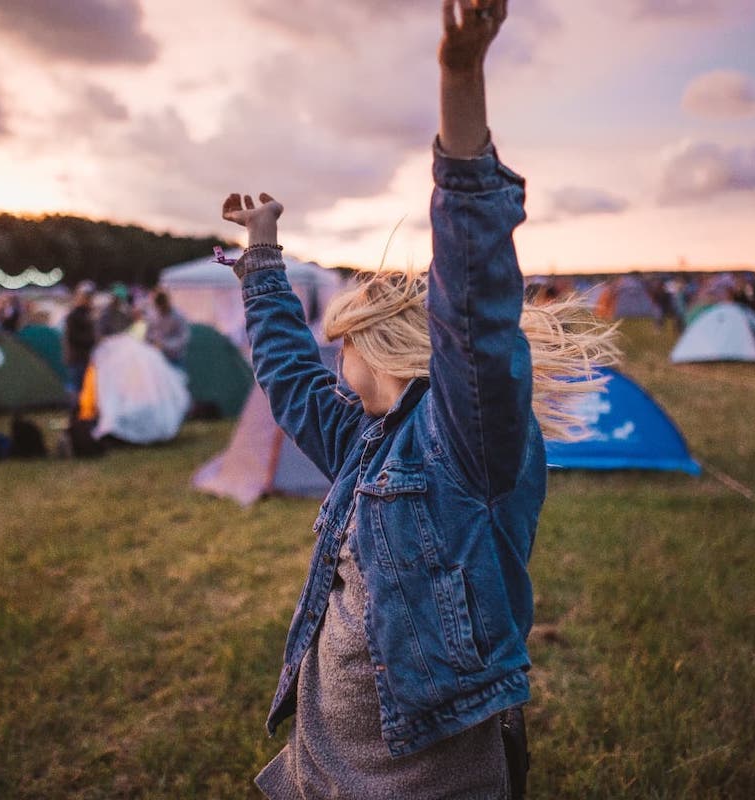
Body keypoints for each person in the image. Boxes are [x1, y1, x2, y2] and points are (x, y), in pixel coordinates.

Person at [221, 3, 618, 797]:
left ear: (387, 344)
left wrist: (459, 82)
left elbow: (474, 297)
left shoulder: (464, 442)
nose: (335, 358)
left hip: (424, 782)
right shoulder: (366, 439)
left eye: (345, 340)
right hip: (323, 769)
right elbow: (289, 378)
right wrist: (263, 258)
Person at [64, 281, 97, 396]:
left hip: (85, 357)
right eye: (86, 297)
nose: (89, 300)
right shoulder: (74, 316)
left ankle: (80, 410)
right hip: (77, 357)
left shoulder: (88, 314)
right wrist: (92, 340)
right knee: (75, 386)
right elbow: (73, 337)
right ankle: (73, 410)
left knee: (82, 386)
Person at [144, 289, 190, 367]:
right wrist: (151, 343)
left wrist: (165, 345)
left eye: (163, 304)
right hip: (157, 358)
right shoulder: (153, 315)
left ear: (167, 302)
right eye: (159, 306)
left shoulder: (178, 316)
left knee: (176, 378)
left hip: (174, 358)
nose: (161, 308)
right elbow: (149, 334)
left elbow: (183, 338)